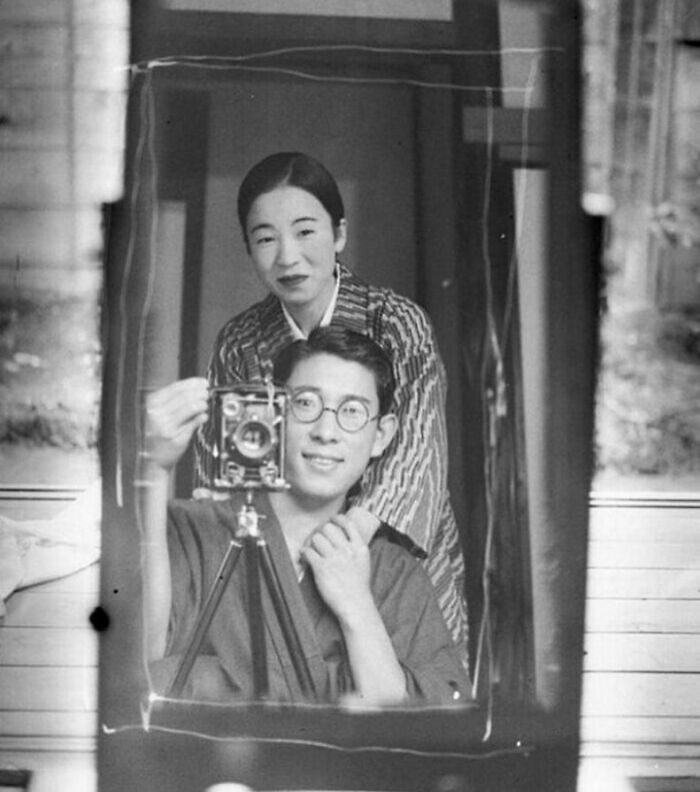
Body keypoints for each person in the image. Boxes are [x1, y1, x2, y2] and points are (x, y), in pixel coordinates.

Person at [190, 152, 468, 662]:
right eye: (266, 238)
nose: (288, 257)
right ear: (248, 248)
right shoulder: (240, 341)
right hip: (283, 566)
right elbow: (234, 476)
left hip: (388, 560)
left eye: (305, 232)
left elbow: (416, 455)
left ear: (338, 233)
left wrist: (341, 552)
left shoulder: (398, 323)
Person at [143, 328, 471, 705]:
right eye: (305, 404)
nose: (326, 432)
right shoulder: (193, 530)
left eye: (352, 411)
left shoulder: (395, 574)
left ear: (381, 435)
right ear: (273, 413)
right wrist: (152, 470)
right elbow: (139, 663)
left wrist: (357, 608)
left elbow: (431, 723)